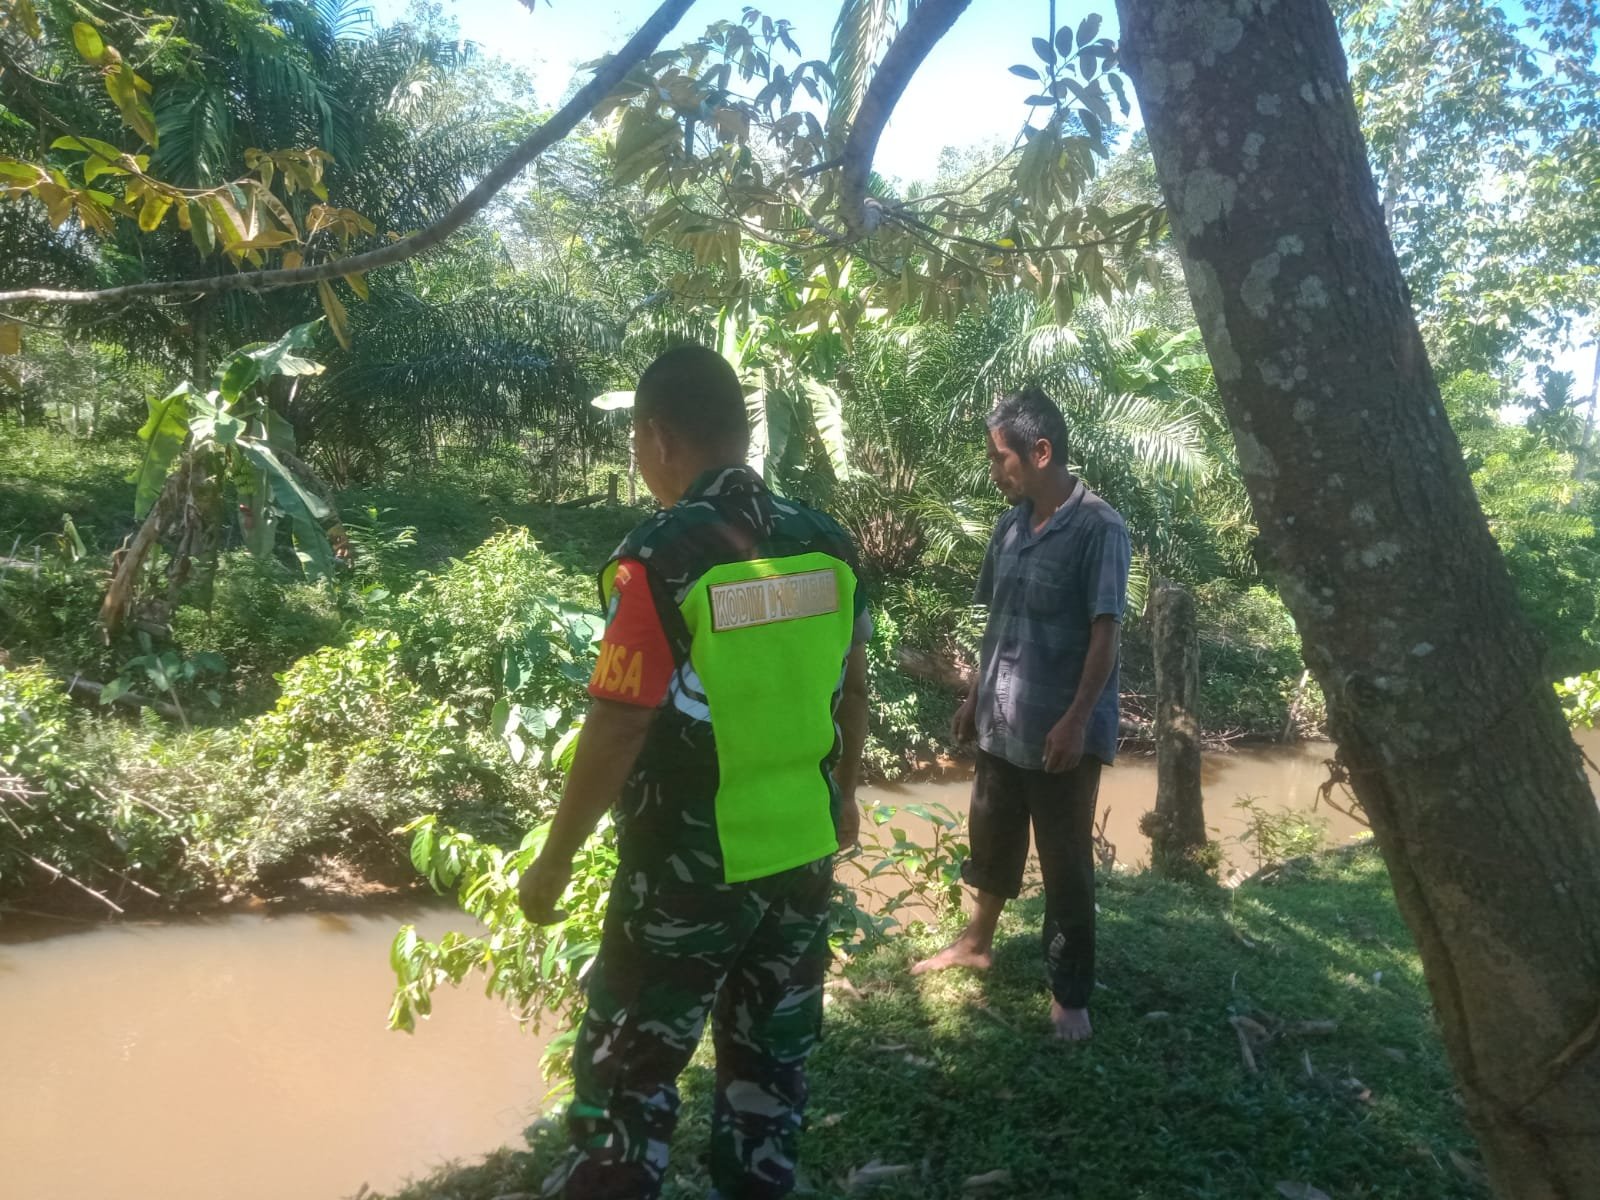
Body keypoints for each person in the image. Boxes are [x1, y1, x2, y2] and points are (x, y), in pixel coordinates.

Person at [517, 344, 872, 1200]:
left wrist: (555, 860)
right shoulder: (827, 542)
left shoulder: (661, 556)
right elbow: (853, 688)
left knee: (628, 1077)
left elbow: (619, 722)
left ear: (658, 436)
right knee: (768, 1072)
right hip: (799, 855)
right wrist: (846, 796)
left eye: (638, 443)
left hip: (688, 874)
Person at [912, 385, 1130, 1042]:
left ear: (1040, 452)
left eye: (998, 456)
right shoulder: (1009, 528)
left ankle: (1071, 995)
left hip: (1060, 733)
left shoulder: (1099, 528)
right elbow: (999, 624)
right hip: (1002, 722)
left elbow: (1106, 633)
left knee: (1065, 863)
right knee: (992, 838)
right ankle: (976, 943)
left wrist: (1076, 720)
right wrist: (974, 695)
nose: (992, 469)